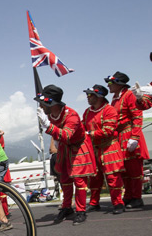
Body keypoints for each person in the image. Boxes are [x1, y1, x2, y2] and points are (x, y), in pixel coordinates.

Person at [36, 85, 96, 225]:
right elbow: (59, 135)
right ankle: (67, 207)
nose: (40, 106)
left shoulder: (72, 115)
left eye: (43, 103)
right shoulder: (50, 115)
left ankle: (81, 211)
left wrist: (47, 126)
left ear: (52, 104)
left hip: (77, 146)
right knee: (64, 179)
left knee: (79, 180)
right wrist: (55, 140)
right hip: (65, 147)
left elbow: (67, 135)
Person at [106, 72, 149, 209]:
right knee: (124, 169)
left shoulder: (129, 95)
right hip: (120, 135)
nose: (108, 85)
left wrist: (134, 137)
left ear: (119, 84)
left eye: (111, 83)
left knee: (134, 169)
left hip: (129, 133)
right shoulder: (115, 98)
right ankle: (129, 196)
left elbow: (137, 115)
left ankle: (137, 197)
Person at [82, 85, 126, 214]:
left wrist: (89, 134)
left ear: (99, 97)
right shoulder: (87, 112)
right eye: (88, 95)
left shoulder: (109, 110)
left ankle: (118, 203)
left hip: (109, 147)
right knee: (94, 178)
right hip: (94, 149)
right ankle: (94, 203)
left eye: (90, 95)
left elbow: (109, 130)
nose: (87, 97)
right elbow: (82, 126)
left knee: (113, 177)